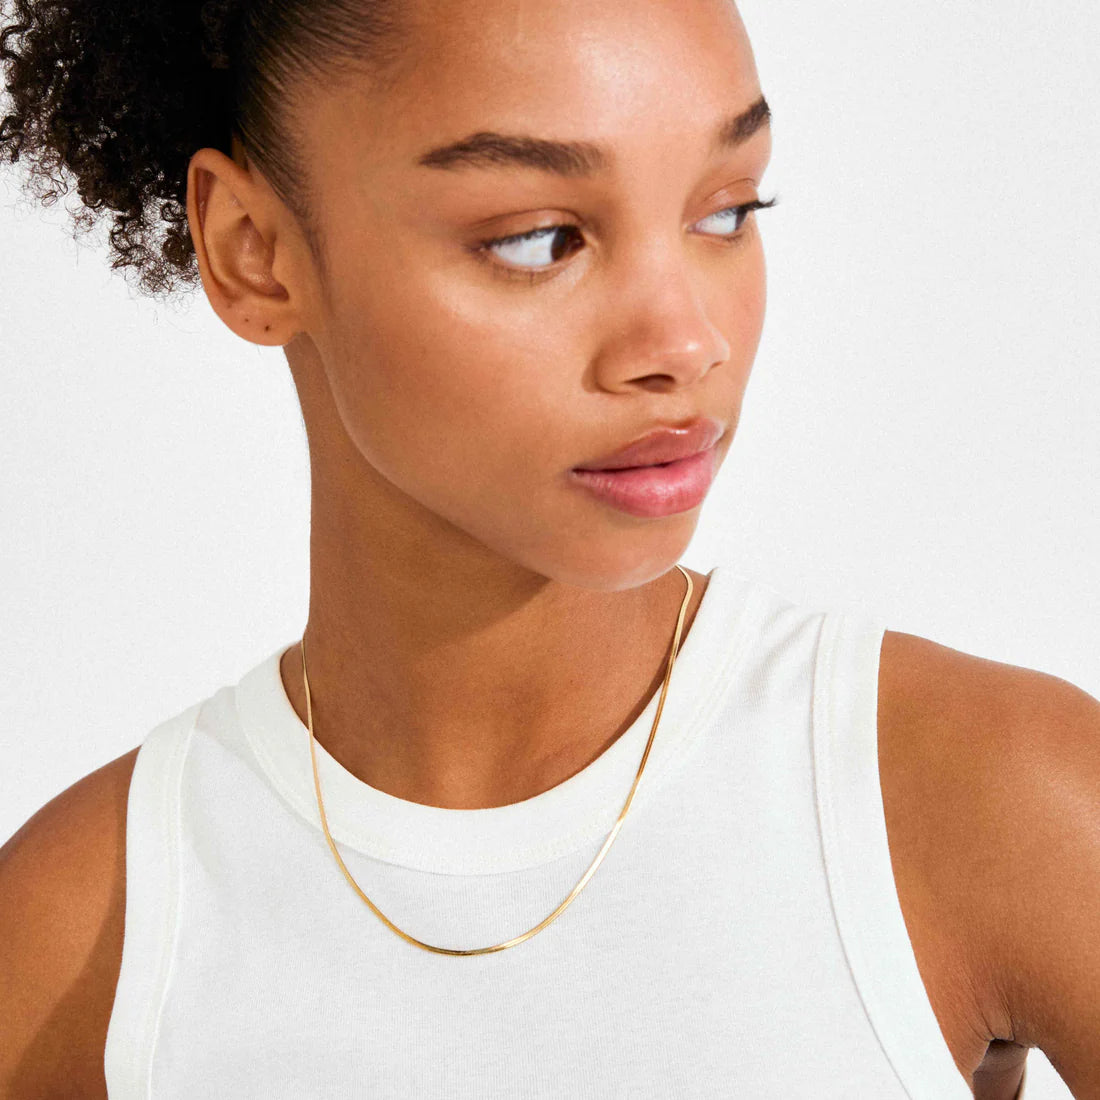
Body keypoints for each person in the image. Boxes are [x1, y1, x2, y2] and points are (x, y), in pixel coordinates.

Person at [0, 0, 1096, 1096]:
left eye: (726, 211)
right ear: (254, 252)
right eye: (537, 239)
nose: (684, 342)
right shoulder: (81, 938)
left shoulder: (984, 804)